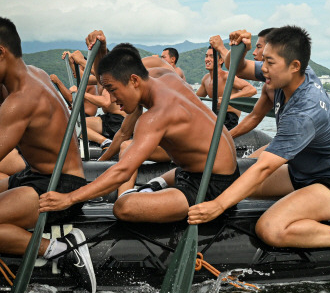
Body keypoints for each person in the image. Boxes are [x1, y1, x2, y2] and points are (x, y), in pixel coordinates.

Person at [188, 26, 330, 264]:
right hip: (300, 173)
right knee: (231, 180)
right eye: (263, 60)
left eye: (270, 62)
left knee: (269, 228)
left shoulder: (305, 111)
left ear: (294, 65)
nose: (263, 68)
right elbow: (242, 68)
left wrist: (218, 206)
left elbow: (264, 168)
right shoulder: (292, 73)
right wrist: (241, 51)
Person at [39, 31, 238, 225]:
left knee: (124, 207)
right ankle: (155, 186)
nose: (113, 100)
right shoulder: (162, 74)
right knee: (169, 170)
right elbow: (113, 74)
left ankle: (147, 191)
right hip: (201, 170)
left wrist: (69, 198)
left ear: (134, 80)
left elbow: (123, 172)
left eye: (113, 91)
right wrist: (103, 53)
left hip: (211, 186)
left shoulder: (156, 116)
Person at [0, 17, 95, 293]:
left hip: (59, 186)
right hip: (39, 175)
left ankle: (64, 251)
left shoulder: (22, 101)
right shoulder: (34, 73)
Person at [196, 46, 256, 130]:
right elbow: (195, 98)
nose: (207, 59)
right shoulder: (206, 79)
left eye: (211, 56)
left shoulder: (227, 76)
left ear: (221, 61)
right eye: (206, 56)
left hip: (229, 117)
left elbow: (252, 90)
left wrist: (227, 99)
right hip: (215, 115)